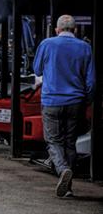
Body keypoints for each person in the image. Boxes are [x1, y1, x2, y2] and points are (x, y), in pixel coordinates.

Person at [33, 14, 95, 198]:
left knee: (53, 140)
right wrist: (87, 101)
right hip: (76, 102)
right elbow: (91, 81)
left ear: (57, 30)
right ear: (75, 30)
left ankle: (62, 170)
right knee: (70, 143)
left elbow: (36, 69)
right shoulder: (85, 48)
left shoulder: (47, 44)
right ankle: (67, 187)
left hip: (51, 101)